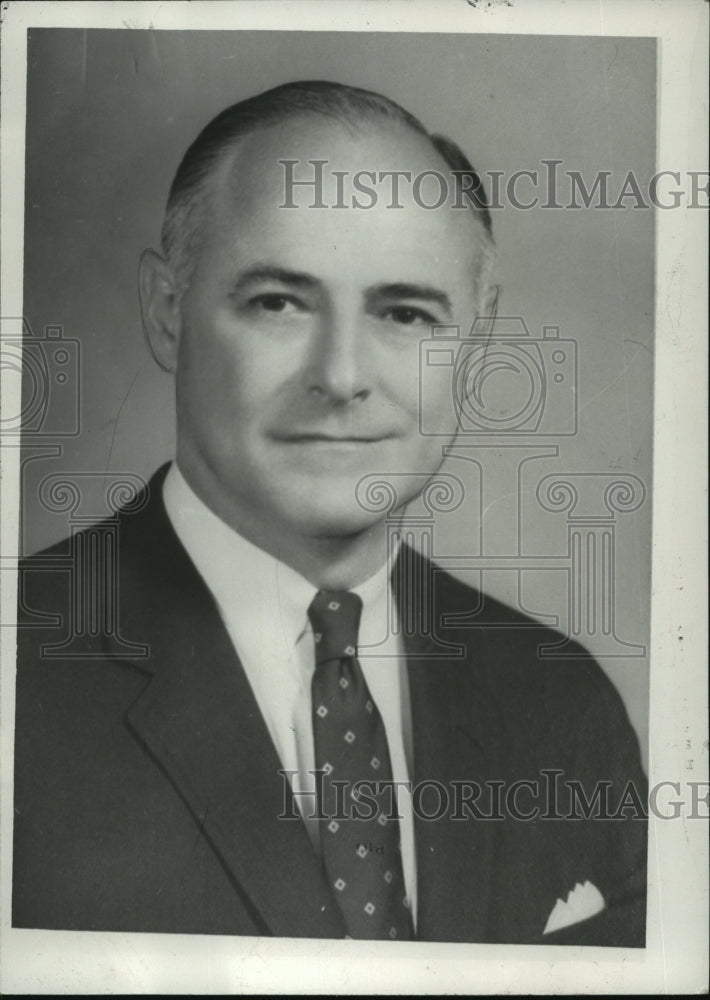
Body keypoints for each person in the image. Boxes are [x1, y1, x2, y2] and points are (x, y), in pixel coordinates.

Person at [12, 80, 647, 944]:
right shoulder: (23, 673)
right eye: (279, 301)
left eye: (406, 312)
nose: (342, 374)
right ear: (167, 312)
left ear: (478, 340)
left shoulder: (561, 700)